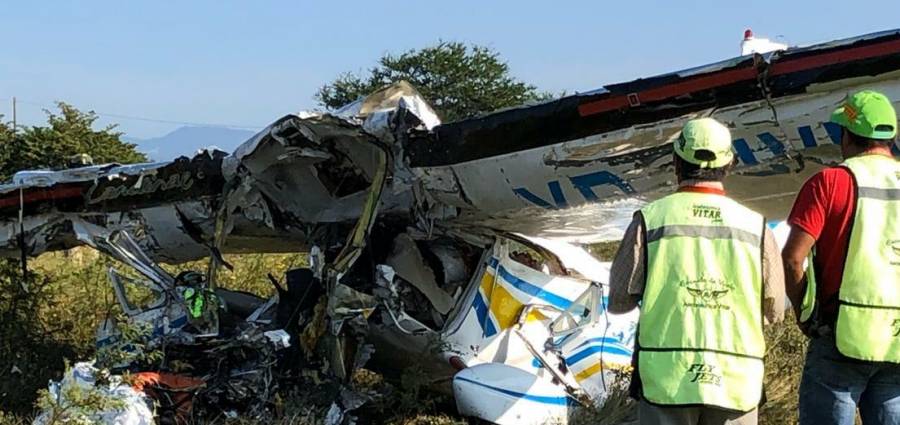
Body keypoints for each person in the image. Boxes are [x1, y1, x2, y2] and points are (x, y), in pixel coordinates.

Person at [609, 117, 785, 425]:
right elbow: (774, 308)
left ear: (676, 161)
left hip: (666, 378)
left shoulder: (650, 220)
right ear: (729, 164)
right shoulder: (755, 226)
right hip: (737, 379)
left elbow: (620, 299)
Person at [782, 90, 900, 425]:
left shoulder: (830, 182)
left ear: (845, 135)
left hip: (840, 336)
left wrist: (806, 314)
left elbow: (793, 259)